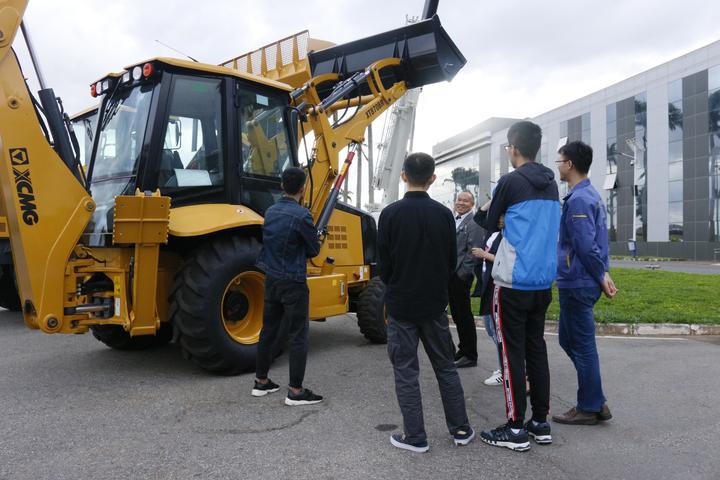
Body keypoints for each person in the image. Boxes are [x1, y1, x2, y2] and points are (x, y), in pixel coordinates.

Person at [378, 152, 474, 453]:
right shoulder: (444, 215)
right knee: (445, 367)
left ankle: (416, 436)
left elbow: (384, 265)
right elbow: (450, 261)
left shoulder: (390, 214)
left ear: (403, 176)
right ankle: (460, 429)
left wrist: (396, 285)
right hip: (434, 304)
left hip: (401, 305)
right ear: (432, 178)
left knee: (406, 371)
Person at [474, 121, 560, 452]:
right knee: (536, 349)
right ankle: (540, 422)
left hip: (512, 281)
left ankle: (514, 428)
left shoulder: (510, 181)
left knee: (512, 355)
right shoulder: (551, 183)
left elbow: (486, 223)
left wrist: (497, 212)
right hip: (542, 280)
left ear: (513, 148)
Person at [552, 141, 617, 425]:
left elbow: (586, 245)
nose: (558, 166)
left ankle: (589, 406)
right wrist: (603, 273)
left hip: (578, 281)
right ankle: (596, 399)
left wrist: (602, 275)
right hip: (578, 279)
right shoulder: (587, 195)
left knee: (582, 345)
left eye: (560, 161)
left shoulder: (579, 199)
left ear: (570, 165)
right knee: (568, 340)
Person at [253, 167, 323, 406]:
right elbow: (313, 250)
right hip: (293, 282)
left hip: (271, 278)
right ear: (303, 189)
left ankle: (261, 381)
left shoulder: (270, 211)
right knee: (298, 335)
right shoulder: (302, 216)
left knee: (268, 330)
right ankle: (295, 390)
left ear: (282, 185)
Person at [450, 191, 485, 368]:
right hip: (450, 274)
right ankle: (463, 349)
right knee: (457, 315)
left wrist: (462, 274)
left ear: (472, 204)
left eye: (466, 201)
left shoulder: (474, 223)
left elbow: (474, 251)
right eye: (459, 200)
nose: (461, 203)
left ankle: (470, 355)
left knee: (463, 315)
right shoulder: (453, 219)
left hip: (460, 276)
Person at [471, 215, 504, 385]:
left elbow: (508, 260)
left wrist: (485, 254)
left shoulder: (509, 235)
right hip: (487, 287)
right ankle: (504, 367)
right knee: (491, 330)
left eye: (502, 215)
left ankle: (506, 371)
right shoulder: (493, 232)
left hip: (497, 287)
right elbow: (479, 216)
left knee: (498, 332)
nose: (499, 218)